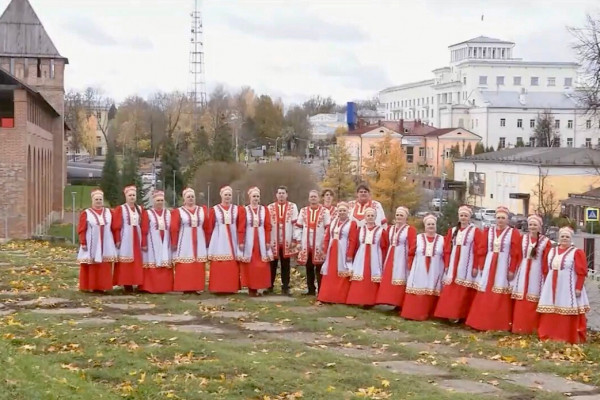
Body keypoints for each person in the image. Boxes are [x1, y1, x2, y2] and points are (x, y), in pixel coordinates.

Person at [466, 206, 521, 331]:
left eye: (503, 218)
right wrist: (481, 265)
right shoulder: (488, 231)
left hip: (503, 265)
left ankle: (498, 324)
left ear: (507, 220)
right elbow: (482, 249)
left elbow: (515, 253)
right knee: (486, 289)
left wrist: (512, 269)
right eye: (498, 218)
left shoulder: (513, 233)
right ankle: (481, 322)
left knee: (500, 290)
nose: (500, 220)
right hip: (489, 264)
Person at [537, 227, 590, 343]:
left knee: (567, 307)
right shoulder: (552, 251)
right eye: (562, 236)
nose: (564, 239)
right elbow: (546, 269)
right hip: (551, 286)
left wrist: (578, 288)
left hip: (568, 286)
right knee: (550, 308)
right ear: (559, 238)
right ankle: (549, 334)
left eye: (567, 237)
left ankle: (567, 336)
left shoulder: (576, 252)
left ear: (571, 239)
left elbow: (581, 272)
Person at [434, 205, 482, 321]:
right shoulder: (453, 231)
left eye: (466, 216)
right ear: (458, 217)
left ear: (469, 217)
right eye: (461, 216)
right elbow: (447, 249)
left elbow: (478, 249)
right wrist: (447, 264)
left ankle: (462, 315)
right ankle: (447, 314)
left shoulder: (474, 231)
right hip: (453, 264)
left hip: (467, 264)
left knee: (464, 289)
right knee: (451, 288)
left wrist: (476, 266)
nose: (463, 218)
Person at [511, 214, 551, 334]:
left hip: (536, 272)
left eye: (535, 225)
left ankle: (531, 328)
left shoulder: (545, 242)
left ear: (540, 227)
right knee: (521, 296)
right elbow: (516, 255)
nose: (532, 227)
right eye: (531, 225)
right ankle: (518, 327)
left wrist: (545, 275)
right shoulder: (523, 239)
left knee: (534, 297)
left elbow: (546, 260)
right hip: (523, 271)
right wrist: (513, 269)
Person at [401, 214, 445, 321]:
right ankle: (413, 313)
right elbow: (411, 253)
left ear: (436, 225)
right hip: (419, 268)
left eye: (433, 224)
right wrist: (410, 266)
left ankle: (429, 313)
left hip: (435, 268)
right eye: (428, 224)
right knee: (418, 287)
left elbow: (446, 254)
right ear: (425, 226)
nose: (431, 226)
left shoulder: (442, 239)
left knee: (432, 287)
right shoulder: (419, 238)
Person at [76, 189, 117, 292]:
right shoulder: (86, 213)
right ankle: (92, 286)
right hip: (92, 243)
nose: (98, 201)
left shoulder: (109, 212)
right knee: (92, 265)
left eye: (100, 199)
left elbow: (114, 227)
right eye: (96, 199)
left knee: (104, 264)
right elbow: (82, 229)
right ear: (92, 200)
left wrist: (116, 241)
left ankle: (103, 286)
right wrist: (83, 242)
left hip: (106, 243)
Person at [375, 206, 417, 308]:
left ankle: (399, 303)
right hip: (391, 255)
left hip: (402, 256)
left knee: (400, 277)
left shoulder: (410, 229)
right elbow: (385, 242)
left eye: (401, 215)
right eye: (397, 215)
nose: (399, 217)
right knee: (389, 277)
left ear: (406, 217)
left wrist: (410, 259)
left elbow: (413, 245)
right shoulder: (390, 228)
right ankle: (388, 300)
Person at [346, 207, 387, 306]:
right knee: (359, 275)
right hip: (361, 256)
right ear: (365, 217)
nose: (370, 217)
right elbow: (355, 244)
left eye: (372, 216)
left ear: (375, 217)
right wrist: (352, 256)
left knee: (372, 276)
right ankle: (356, 299)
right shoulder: (360, 229)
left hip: (374, 256)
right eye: (368, 216)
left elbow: (384, 246)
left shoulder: (381, 231)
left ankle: (370, 301)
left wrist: (383, 259)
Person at [170, 187, 209, 292]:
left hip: (199, 239)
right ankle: (185, 287)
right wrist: (174, 242)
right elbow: (174, 228)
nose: (191, 199)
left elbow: (206, 226)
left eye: (192, 196)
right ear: (184, 199)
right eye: (188, 197)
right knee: (185, 264)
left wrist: (207, 240)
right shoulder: (179, 211)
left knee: (198, 263)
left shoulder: (202, 210)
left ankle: (197, 287)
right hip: (185, 239)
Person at [318, 202, 358, 304]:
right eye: (340, 210)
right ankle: (326, 296)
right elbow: (327, 237)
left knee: (341, 272)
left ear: (348, 211)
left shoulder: (352, 224)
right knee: (330, 272)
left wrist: (349, 254)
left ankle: (339, 297)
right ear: (337, 212)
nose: (342, 212)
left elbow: (353, 240)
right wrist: (325, 250)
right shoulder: (333, 222)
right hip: (332, 250)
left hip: (343, 250)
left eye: (344, 210)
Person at [207, 186, 243, 293]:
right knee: (219, 261)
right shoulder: (215, 209)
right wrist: (209, 241)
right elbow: (210, 225)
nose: (227, 197)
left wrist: (240, 240)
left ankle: (231, 287)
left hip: (232, 237)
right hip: (219, 237)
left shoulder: (237, 209)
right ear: (221, 195)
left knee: (232, 261)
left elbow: (240, 225)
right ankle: (218, 287)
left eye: (229, 195)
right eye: (225, 195)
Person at [238, 187, 273, 297]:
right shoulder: (245, 210)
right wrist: (241, 241)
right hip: (249, 240)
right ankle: (251, 288)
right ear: (250, 197)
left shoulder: (264, 210)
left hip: (261, 240)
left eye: (257, 196)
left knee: (262, 265)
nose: (256, 198)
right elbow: (241, 227)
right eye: (254, 196)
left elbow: (268, 226)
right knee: (250, 265)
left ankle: (259, 287)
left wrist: (267, 241)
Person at [295, 190, 331, 295]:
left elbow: (328, 228)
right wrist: (298, 240)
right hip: (306, 243)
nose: (313, 198)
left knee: (320, 268)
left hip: (319, 244)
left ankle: (321, 290)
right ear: (309, 198)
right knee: (308, 267)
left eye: (315, 197)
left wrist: (325, 242)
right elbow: (298, 227)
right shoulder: (303, 211)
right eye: (311, 197)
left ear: (319, 198)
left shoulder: (325, 211)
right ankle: (311, 290)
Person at [111, 185, 147, 292]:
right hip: (125, 236)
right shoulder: (121, 209)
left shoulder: (140, 209)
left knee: (136, 260)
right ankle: (126, 283)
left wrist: (143, 241)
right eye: (130, 195)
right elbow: (116, 226)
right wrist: (117, 239)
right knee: (126, 260)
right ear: (126, 197)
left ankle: (135, 281)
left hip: (137, 236)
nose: (132, 197)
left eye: (133, 195)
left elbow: (143, 225)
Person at [139, 190, 173, 293]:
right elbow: (144, 229)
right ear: (153, 201)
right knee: (152, 261)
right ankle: (151, 287)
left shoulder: (168, 213)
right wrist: (144, 243)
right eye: (158, 200)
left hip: (166, 240)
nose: (160, 202)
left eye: (162, 200)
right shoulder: (148, 213)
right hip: (152, 240)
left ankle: (165, 286)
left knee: (165, 260)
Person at [267, 186, 299, 295]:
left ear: (286, 194)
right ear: (276, 195)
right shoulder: (270, 207)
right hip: (274, 240)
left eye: (283, 193)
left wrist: (295, 238)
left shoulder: (292, 207)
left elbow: (296, 224)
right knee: (272, 264)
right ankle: (269, 286)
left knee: (286, 264)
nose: (281, 195)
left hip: (287, 240)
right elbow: (267, 225)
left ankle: (285, 286)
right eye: (279, 193)